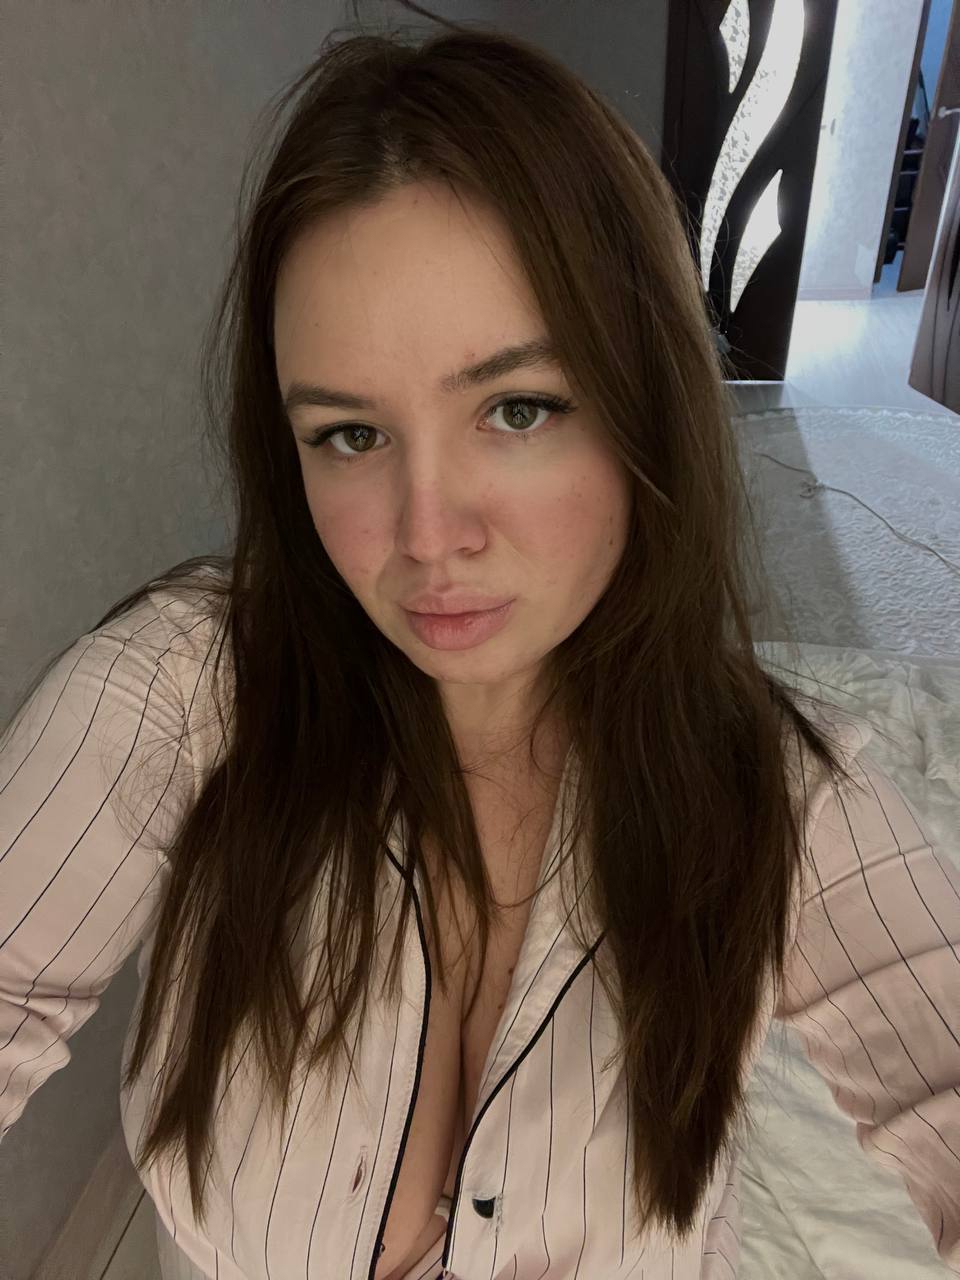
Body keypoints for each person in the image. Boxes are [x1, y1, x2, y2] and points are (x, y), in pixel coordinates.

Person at [3, 5, 959, 1279]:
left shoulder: (778, 797)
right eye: (350, 434)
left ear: (646, 407)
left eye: (518, 408)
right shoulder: (182, 696)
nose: (428, 534)